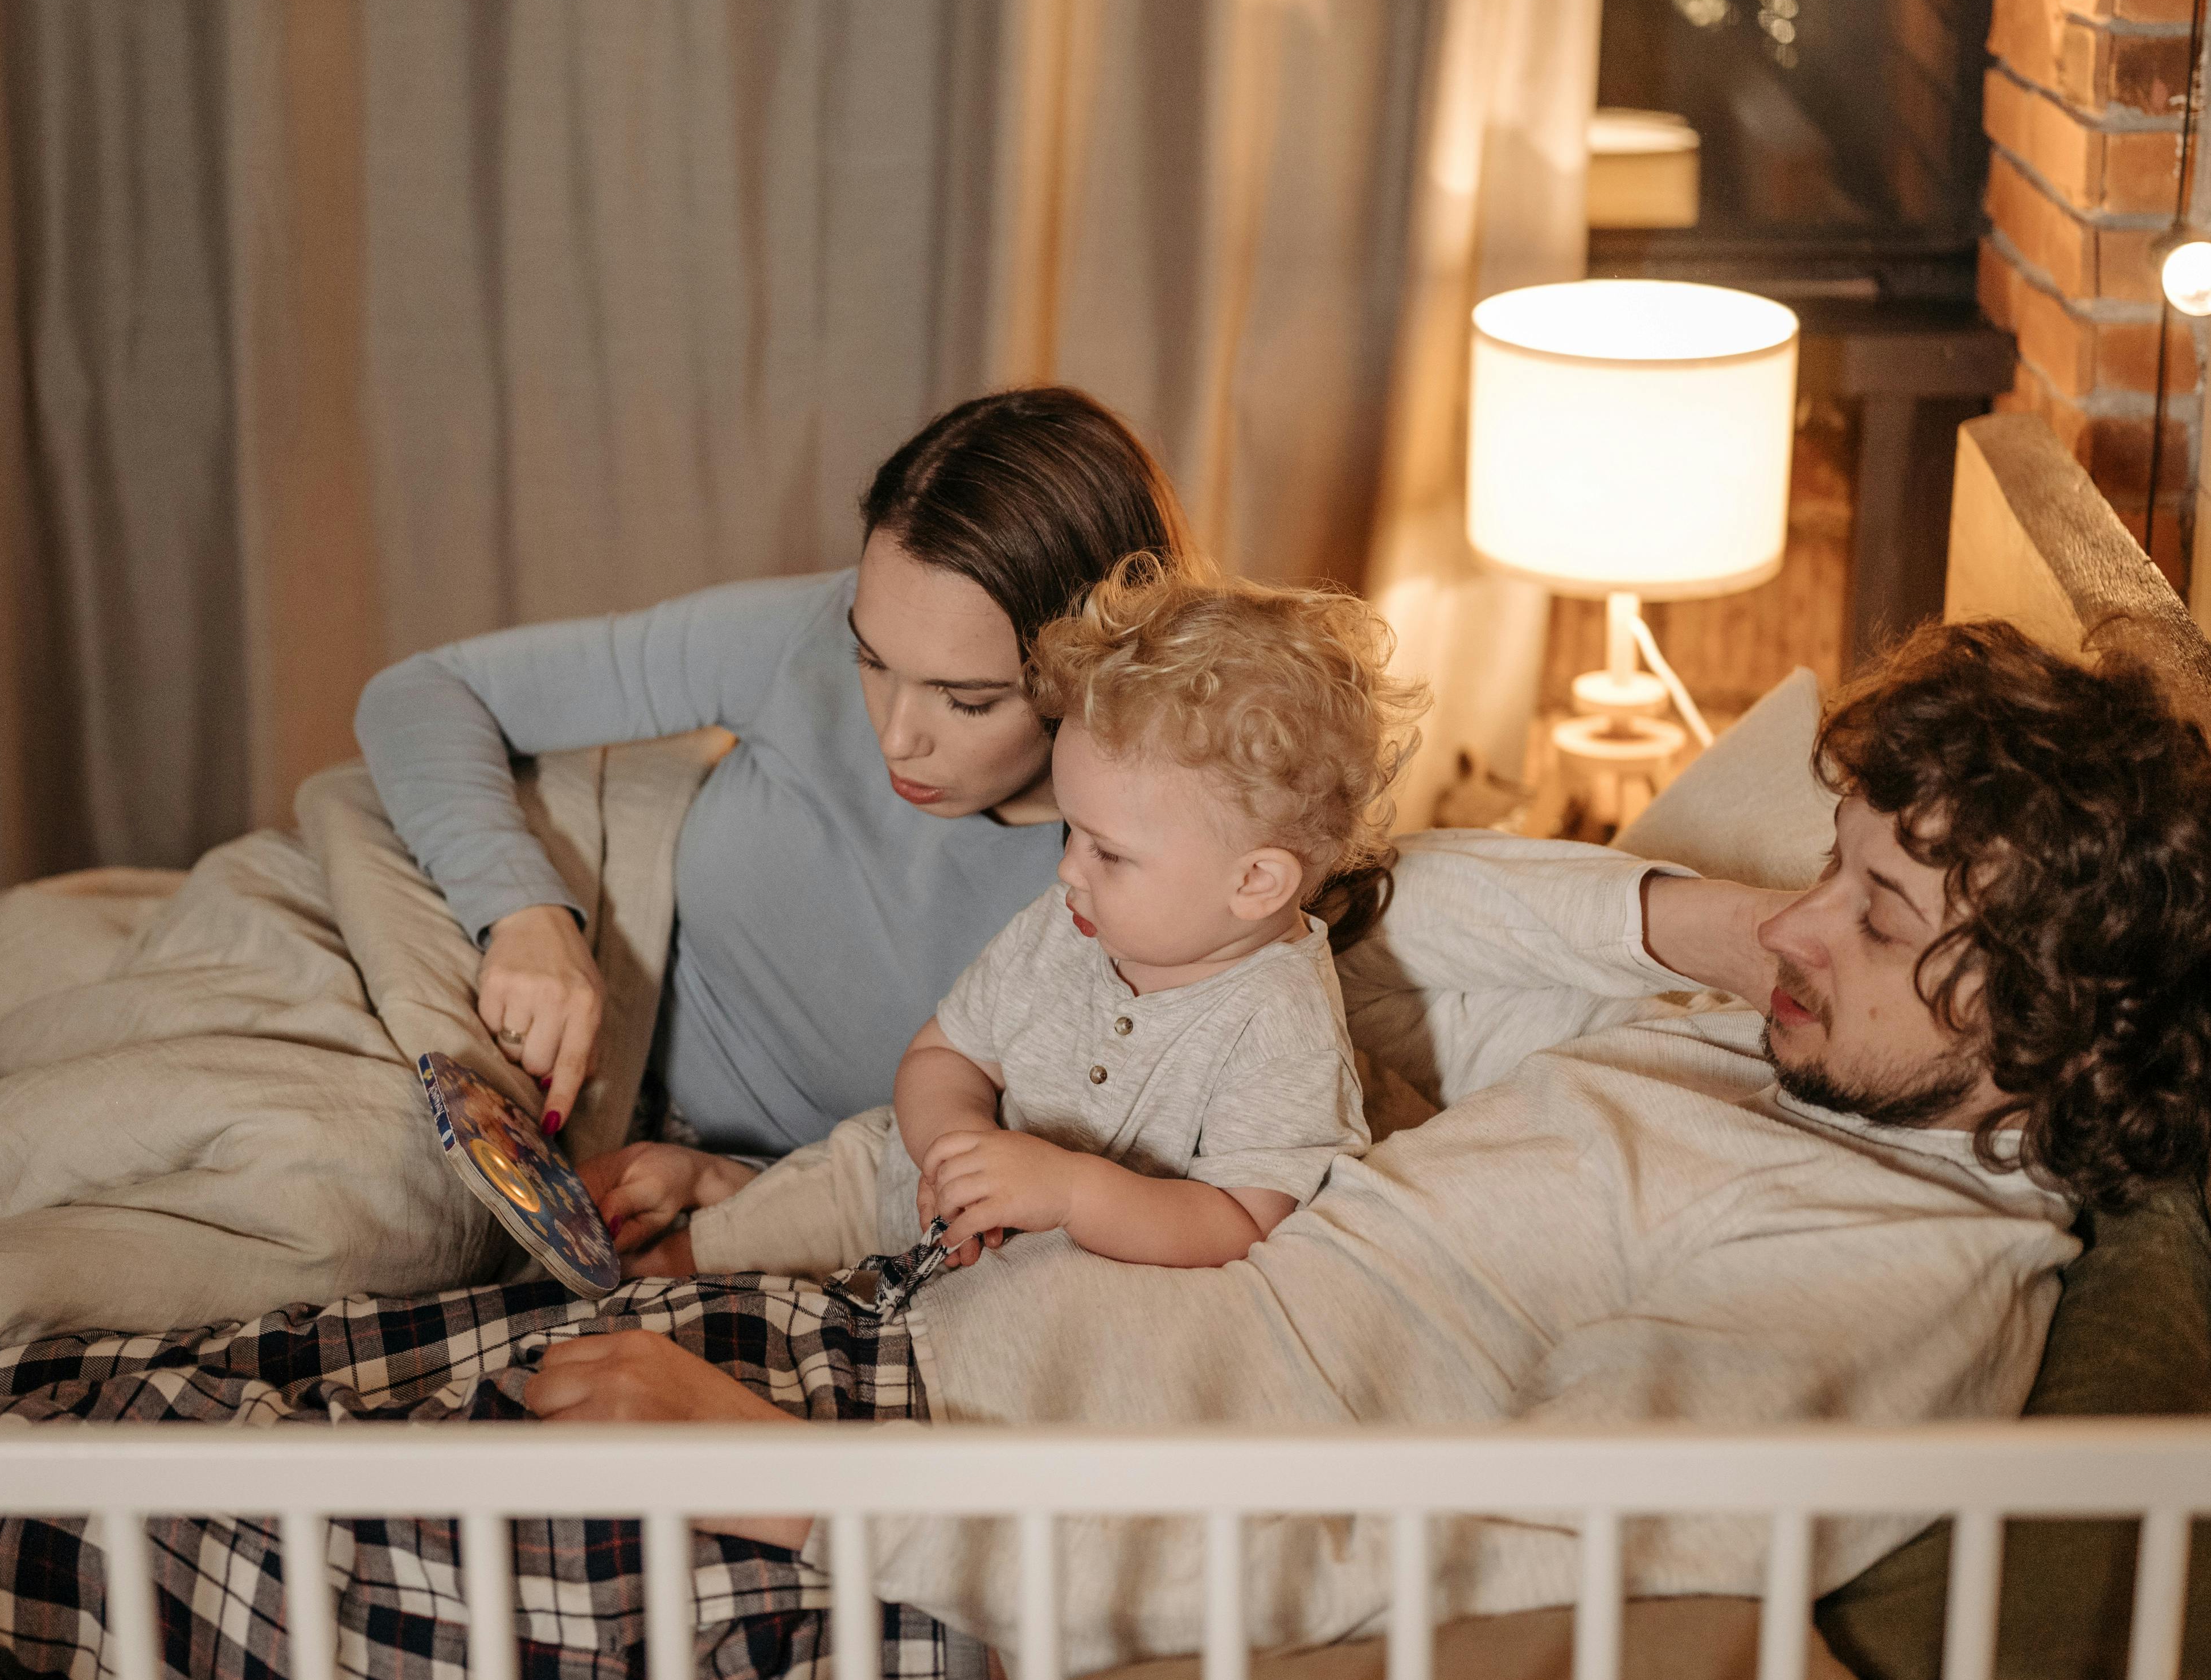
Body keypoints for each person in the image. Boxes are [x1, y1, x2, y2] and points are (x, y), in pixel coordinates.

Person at [502, 619, 2211, 1665]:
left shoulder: (1888, 1274)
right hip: (910, 1350)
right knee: (236, 1407)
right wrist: (1747, 919)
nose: (1803, 933)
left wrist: (801, 1493)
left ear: (2048, 1012)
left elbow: (1444, 1567)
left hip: (919, 1547)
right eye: (1827, 872)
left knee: (239, 1539)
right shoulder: (1792, 1060)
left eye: (1878, 908)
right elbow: (1386, 910)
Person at [355, 387, 1192, 1149]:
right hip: (562, 1043)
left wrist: (740, 1192)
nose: (895, 737)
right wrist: (524, 913)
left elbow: (1043, 1180)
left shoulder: (1161, 871)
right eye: (870, 659)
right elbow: (421, 693)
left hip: (782, 1207)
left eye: (965, 701)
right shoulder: (804, 631)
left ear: (1097, 670)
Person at [650, 562, 1421, 1280]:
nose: (1066, 869)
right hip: (890, 1190)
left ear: (1254, 883)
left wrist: (1073, 1194)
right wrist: (958, 1150)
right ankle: (678, 1251)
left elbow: (1243, 1222)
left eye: (1108, 853)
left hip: (1045, 1280)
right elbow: (944, 1055)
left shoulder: (1279, 1025)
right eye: (1073, 833)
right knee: (688, 1265)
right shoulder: (1069, 920)